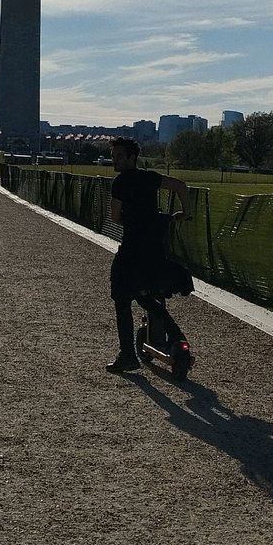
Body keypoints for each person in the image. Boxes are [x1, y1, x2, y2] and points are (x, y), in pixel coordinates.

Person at [107, 136, 194, 374]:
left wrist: (131, 220)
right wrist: (185, 213)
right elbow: (180, 186)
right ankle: (178, 338)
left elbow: (115, 217)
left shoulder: (120, 183)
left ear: (131, 158)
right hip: (155, 248)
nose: (115, 160)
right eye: (113, 156)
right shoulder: (150, 178)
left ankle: (127, 355)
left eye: (119, 156)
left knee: (122, 298)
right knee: (146, 294)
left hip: (133, 248)